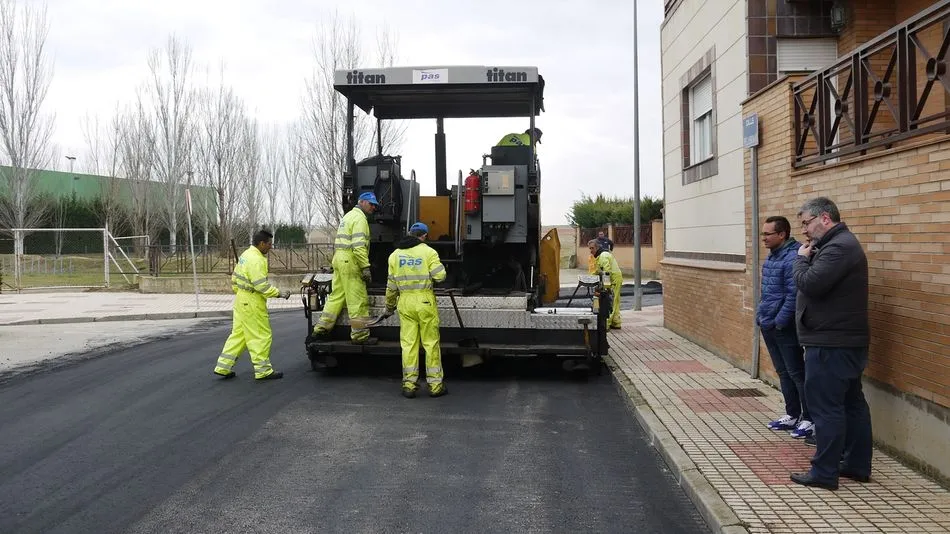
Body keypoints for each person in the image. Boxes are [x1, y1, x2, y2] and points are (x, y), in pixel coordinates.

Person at [789, 197, 872, 491]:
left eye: (807, 223)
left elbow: (811, 283)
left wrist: (800, 259)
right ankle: (856, 465)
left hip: (831, 342)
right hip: (841, 340)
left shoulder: (838, 247)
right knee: (851, 404)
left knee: (827, 408)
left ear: (824, 218)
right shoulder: (839, 245)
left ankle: (824, 472)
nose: (805, 231)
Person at [756, 216, 812, 439]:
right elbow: (768, 292)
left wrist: (780, 321)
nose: (764, 238)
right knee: (783, 372)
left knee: (797, 372)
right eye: (763, 234)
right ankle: (792, 414)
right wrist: (762, 317)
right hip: (768, 323)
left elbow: (794, 295)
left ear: (782, 234)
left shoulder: (792, 257)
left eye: (768, 234)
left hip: (784, 327)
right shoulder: (772, 257)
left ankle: (809, 418)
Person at [213, 229, 291, 380]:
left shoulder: (246, 255)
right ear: (261, 243)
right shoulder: (256, 260)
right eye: (269, 244)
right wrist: (279, 293)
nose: (270, 247)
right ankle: (263, 370)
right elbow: (261, 286)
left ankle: (223, 367)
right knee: (261, 335)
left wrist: (241, 292)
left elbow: (235, 278)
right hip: (252, 301)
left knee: (239, 335)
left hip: (241, 299)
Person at [384, 222, 448, 398]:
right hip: (425, 301)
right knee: (430, 343)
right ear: (424, 236)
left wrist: (389, 307)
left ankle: (409, 385)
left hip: (404, 302)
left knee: (409, 344)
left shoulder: (395, 256)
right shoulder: (428, 252)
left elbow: (390, 287)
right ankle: (435, 386)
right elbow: (440, 276)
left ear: (409, 233)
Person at [310, 192, 380, 345]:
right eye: (371, 204)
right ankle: (360, 336)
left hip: (340, 260)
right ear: (361, 202)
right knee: (357, 299)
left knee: (336, 296)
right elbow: (359, 246)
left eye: (375, 205)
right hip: (351, 262)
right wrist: (365, 267)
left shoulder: (348, 216)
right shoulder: (360, 219)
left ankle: (321, 330)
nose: (373, 207)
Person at [588, 239, 622, 329]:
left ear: (597, 247)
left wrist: (606, 287)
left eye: (592, 248)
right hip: (612, 279)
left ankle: (606, 324)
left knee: (610, 301)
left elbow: (606, 272)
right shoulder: (599, 256)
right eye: (589, 248)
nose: (591, 250)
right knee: (615, 301)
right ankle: (616, 322)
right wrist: (590, 277)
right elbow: (598, 271)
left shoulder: (603, 256)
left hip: (614, 280)